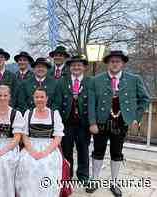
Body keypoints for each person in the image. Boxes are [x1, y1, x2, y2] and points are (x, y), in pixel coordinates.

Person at [86, 50, 150, 196]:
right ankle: (95, 179)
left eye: (118, 61)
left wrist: (136, 117)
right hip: (101, 122)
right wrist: (92, 122)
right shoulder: (96, 80)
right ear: (108, 63)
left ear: (123, 63)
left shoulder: (134, 79)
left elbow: (145, 99)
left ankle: (114, 183)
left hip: (121, 122)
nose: (115, 64)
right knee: (98, 151)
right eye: (112, 61)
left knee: (116, 153)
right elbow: (91, 103)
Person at [15, 87, 64, 197]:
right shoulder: (28, 113)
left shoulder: (54, 114)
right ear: (33, 98)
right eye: (37, 97)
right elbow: (24, 135)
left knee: (46, 164)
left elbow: (58, 137)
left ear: (47, 98)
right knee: (27, 163)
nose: (39, 99)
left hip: (49, 146)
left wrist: (45, 152)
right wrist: (32, 151)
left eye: (42, 97)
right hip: (31, 145)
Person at [54, 54, 91, 184]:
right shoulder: (62, 82)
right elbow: (57, 103)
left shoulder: (89, 82)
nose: (76, 67)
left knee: (83, 150)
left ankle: (83, 176)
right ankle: (67, 175)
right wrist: (57, 122)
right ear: (70, 67)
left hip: (83, 123)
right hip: (66, 123)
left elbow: (93, 102)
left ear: (84, 67)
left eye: (79, 65)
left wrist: (92, 122)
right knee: (67, 150)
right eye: (73, 65)